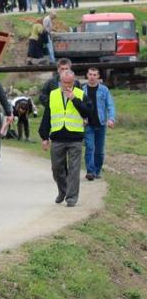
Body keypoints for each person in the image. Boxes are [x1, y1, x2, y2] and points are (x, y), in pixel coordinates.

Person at [39, 71, 91, 206]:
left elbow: (87, 112)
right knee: (57, 169)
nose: (67, 85)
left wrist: (74, 99)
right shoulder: (53, 94)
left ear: (74, 81)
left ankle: (71, 198)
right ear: (60, 81)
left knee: (74, 169)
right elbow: (47, 116)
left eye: (69, 83)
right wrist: (44, 137)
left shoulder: (80, 94)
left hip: (75, 138)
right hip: (57, 138)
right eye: (64, 82)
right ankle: (63, 190)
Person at [82, 68, 116, 181]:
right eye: (90, 74)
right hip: (88, 124)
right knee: (90, 148)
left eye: (94, 75)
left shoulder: (104, 90)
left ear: (98, 76)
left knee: (99, 151)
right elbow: (78, 107)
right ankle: (90, 171)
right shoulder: (82, 90)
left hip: (101, 124)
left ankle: (97, 171)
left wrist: (111, 119)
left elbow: (110, 105)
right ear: (87, 75)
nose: (92, 77)